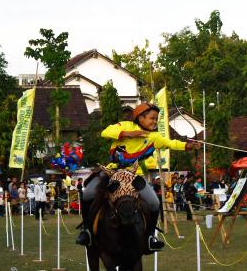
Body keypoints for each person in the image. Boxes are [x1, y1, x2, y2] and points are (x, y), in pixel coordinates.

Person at [76, 102, 201, 252]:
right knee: (88, 194)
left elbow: (171, 143)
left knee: (154, 203)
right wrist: (129, 134)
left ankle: (149, 238)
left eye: (156, 119)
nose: (155, 122)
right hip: (112, 172)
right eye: (152, 118)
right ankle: (88, 232)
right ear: (140, 118)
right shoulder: (126, 125)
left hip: (135, 174)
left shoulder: (154, 137)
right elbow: (106, 132)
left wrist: (188, 146)